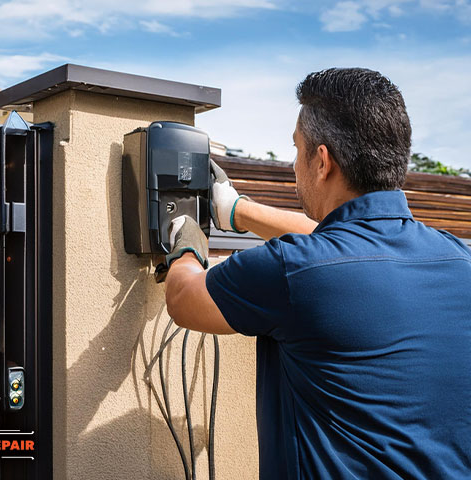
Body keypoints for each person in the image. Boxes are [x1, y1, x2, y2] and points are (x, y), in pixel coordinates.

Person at [164, 68, 471, 479]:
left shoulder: (294, 270)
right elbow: (352, 239)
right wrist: (237, 211)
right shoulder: (456, 258)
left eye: (297, 149)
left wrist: (184, 239)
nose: (293, 165)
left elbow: (184, 299)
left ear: (322, 161)